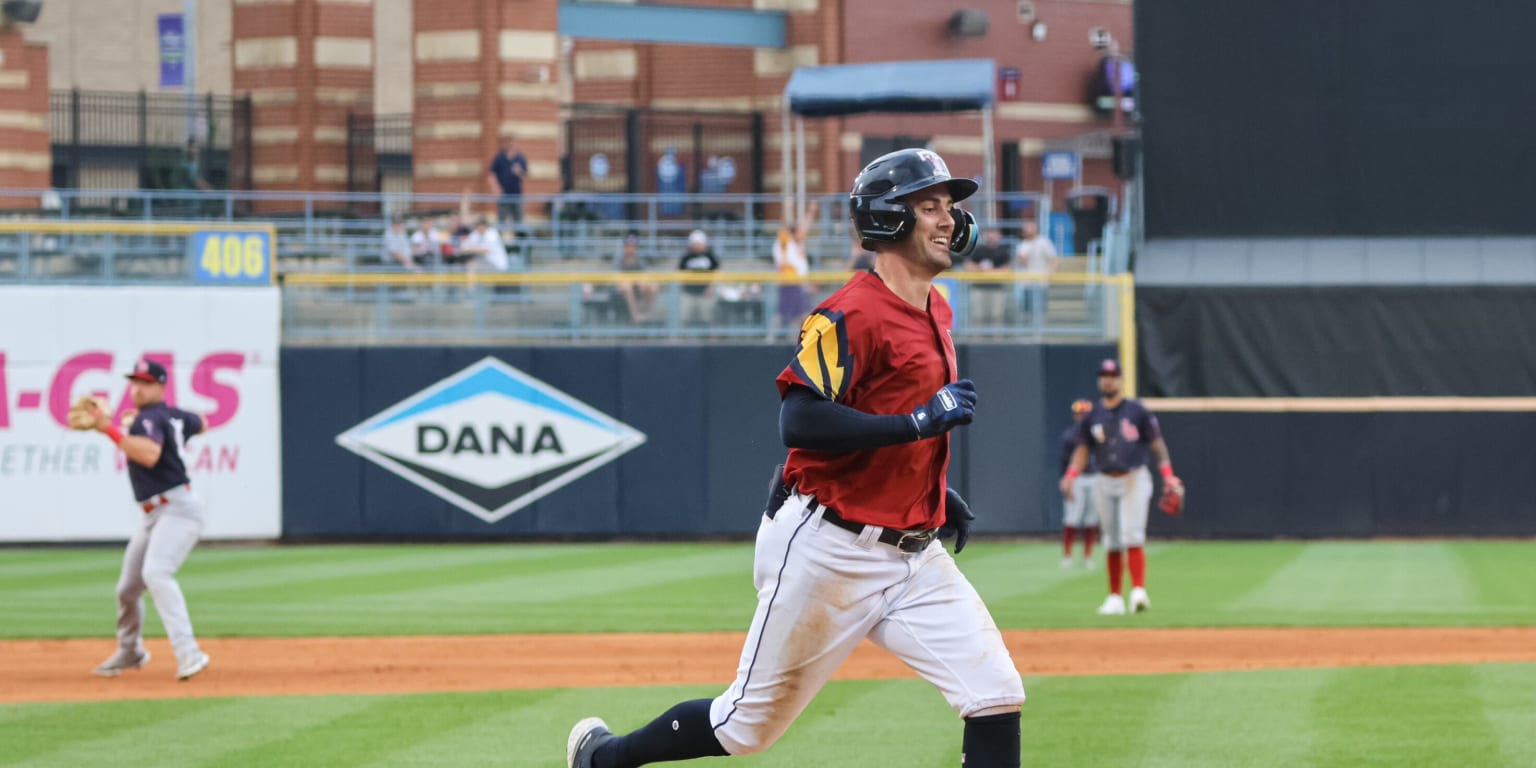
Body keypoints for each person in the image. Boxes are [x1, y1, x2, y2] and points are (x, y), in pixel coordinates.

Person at [565, 148, 1024, 768]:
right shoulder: (849, 313)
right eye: (930, 207)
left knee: (995, 696)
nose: (949, 220)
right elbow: (800, 419)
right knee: (743, 728)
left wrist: (935, 493)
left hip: (913, 555)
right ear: (889, 219)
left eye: (951, 208)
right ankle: (604, 759)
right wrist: (917, 423)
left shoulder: (935, 306)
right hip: (829, 548)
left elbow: (894, 418)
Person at [84, 359, 213, 681]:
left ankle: (189, 653)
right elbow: (204, 423)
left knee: (156, 572)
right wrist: (137, 425)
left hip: (178, 508)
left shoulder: (150, 418)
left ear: (160, 386)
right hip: (156, 511)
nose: (137, 388)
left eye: (145, 382)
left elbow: (149, 455)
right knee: (128, 588)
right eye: (134, 382)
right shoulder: (168, 416)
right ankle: (130, 650)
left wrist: (110, 429)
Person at [1059, 359, 1184, 615]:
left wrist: (1168, 475)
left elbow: (1157, 444)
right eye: (1104, 375)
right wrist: (1071, 475)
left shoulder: (1137, 410)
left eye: (1113, 375)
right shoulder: (1092, 415)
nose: (1108, 379)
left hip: (1133, 477)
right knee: (1113, 540)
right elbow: (1083, 449)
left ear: (1121, 379)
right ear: (1099, 379)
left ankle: (1138, 591)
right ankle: (1115, 597)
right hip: (1104, 479)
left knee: (1132, 534)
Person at [1059, 399, 1099, 569]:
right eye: (1079, 413)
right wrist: (1066, 480)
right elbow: (1063, 461)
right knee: (1072, 518)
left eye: (1085, 414)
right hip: (1077, 478)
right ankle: (1068, 556)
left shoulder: (1098, 434)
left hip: (1096, 477)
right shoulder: (1070, 436)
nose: (1082, 417)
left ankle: (1087, 556)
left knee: (1091, 519)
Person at [772, 199, 814, 334]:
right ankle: (770, 337)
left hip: (799, 283)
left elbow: (805, 227)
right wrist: (787, 209)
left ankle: (796, 339)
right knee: (784, 314)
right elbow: (785, 224)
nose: (800, 232)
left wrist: (811, 212)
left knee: (800, 315)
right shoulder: (785, 241)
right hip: (789, 282)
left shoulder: (797, 243)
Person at [966, 228, 1012, 328]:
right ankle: (977, 341)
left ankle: (997, 341)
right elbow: (968, 265)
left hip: (997, 288)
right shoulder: (978, 249)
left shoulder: (1003, 251)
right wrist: (980, 269)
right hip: (979, 287)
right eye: (989, 233)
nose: (992, 236)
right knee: (978, 316)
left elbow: (1007, 269)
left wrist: (992, 272)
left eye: (994, 234)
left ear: (999, 236)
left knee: (997, 315)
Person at [1013, 220, 1058, 318]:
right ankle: (1029, 332)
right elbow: (1020, 263)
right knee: (1027, 311)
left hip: (1040, 283)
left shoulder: (1044, 242)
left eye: (1031, 227)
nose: (1028, 230)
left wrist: (1050, 273)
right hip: (1026, 283)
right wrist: (1022, 260)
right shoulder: (1022, 245)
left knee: (1040, 310)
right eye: (1026, 228)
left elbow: (1053, 259)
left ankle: (1039, 332)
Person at [677, 229, 720, 326]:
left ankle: (712, 337)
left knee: (709, 317)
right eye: (695, 243)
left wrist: (711, 286)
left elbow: (717, 272)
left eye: (699, 243)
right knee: (683, 317)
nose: (697, 246)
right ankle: (679, 338)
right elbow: (679, 273)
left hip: (705, 292)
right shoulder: (686, 257)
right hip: (689, 292)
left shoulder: (710, 256)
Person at [487, 134, 528, 226]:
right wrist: (496, 189)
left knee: (519, 220)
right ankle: (500, 238)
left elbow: (525, 176)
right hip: (503, 195)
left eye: (513, 142)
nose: (511, 144)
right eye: (509, 142)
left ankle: (519, 239)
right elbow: (491, 174)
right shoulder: (500, 157)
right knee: (501, 219)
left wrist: (519, 172)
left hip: (516, 194)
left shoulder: (520, 158)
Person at [616, 234, 659, 323]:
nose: (631, 249)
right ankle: (635, 315)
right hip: (619, 291)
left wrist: (643, 282)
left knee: (653, 285)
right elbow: (615, 279)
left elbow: (647, 276)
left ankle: (647, 314)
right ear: (624, 247)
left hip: (636, 289)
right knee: (626, 285)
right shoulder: (618, 261)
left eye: (633, 246)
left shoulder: (640, 261)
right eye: (628, 246)